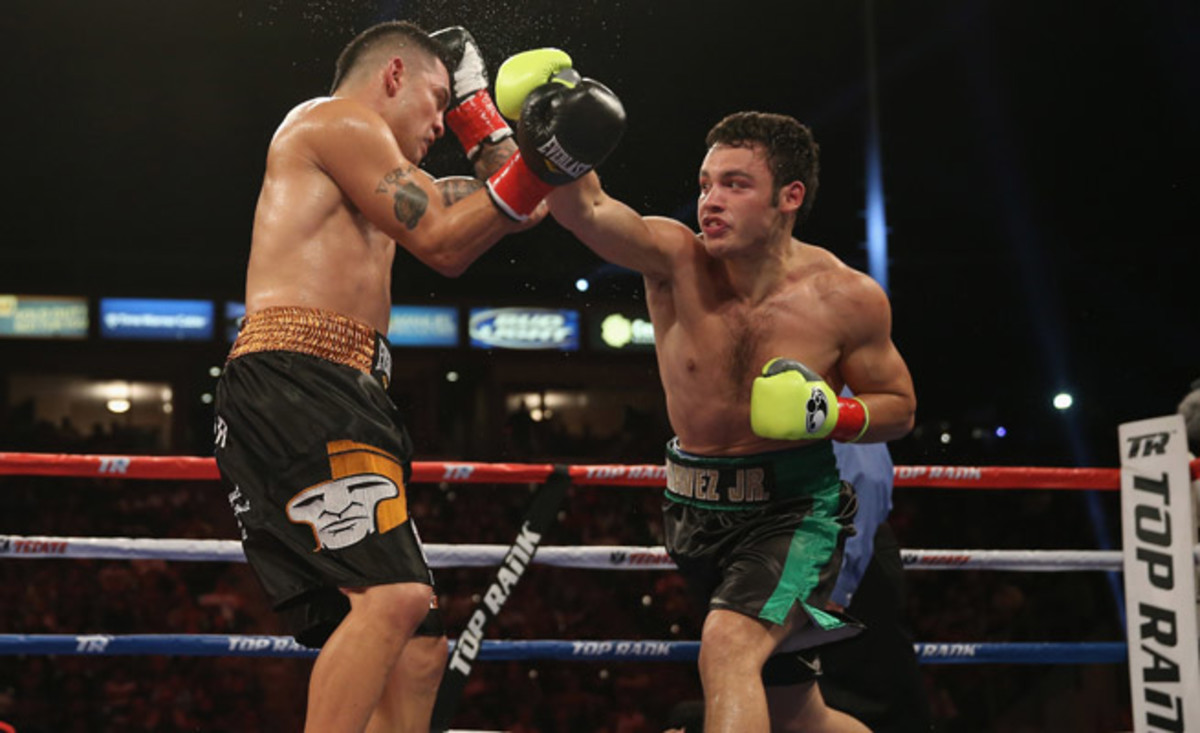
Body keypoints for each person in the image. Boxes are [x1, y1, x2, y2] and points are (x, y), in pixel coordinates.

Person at [212, 23, 623, 733]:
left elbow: (506, 207)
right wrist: (533, 160)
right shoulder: (333, 119)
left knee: (420, 642)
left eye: (448, 110)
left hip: (343, 392)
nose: (438, 125)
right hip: (300, 380)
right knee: (394, 600)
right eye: (436, 102)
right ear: (393, 74)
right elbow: (442, 241)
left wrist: (479, 108)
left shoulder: (383, 169)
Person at [502, 59, 916, 731]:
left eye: (735, 184)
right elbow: (587, 209)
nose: (710, 200)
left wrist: (834, 413)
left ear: (789, 197)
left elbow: (900, 405)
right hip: (695, 512)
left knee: (727, 650)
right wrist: (545, 127)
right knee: (794, 711)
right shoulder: (674, 260)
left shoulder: (845, 297)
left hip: (797, 512)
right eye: (705, 183)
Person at [821, 439, 933, 732]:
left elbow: (864, 478)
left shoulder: (831, 396)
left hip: (845, 552)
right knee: (819, 696)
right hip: (822, 551)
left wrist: (839, 578)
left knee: (873, 696)